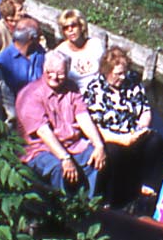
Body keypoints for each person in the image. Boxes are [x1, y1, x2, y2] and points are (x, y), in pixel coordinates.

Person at [16, 51, 106, 195]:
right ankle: (62, 207)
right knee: (58, 167)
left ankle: (90, 203)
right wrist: (65, 158)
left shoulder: (71, 87)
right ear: (43, 69)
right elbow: (44, 133)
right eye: (49, 72)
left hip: (71, 144)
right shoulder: (30, 95)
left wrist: (98, 144)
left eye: (60, 73)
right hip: (41, 149)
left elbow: (83, 116)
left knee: (95, 156)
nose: (54, 77)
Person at [81, 46, 163, 205]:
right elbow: (95, 127)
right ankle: (113, 199)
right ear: (107, 72)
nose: (123, 77)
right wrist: (122, 139)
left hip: (133, 132)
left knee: (155, 141)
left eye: (124, 72)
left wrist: (142, 127)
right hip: (112, 137)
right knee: (114, 153)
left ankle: (148, 185)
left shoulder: (132, 81)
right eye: (118, 74)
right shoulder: (95, 90)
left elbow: (145, 109)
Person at [0, 17, 45, 96]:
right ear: (32, 37)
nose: (41, 38)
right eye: (39, 34)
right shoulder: (2, 62)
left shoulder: (40, 52)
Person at [56, 8, 108, 86]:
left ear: (81, 26)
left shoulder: (96, 44)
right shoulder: (60, 52)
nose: (70, 30)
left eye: (73, 26)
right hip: (75, 93)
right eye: (66, 28)